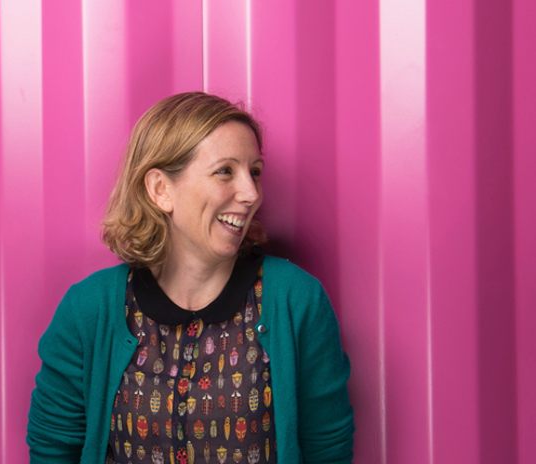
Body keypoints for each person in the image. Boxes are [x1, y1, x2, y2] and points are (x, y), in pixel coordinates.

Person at [27, 92, 354, 463]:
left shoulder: (296, 300)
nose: (251, 194)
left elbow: (328, 450)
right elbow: (54, 450)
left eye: (255, 172)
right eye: (225, 171)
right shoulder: (88, 310)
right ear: (160, 190)